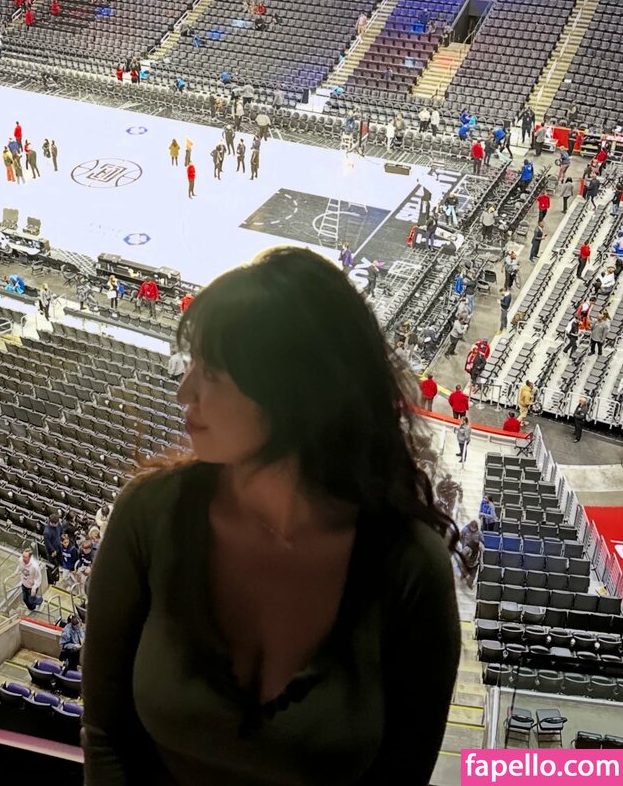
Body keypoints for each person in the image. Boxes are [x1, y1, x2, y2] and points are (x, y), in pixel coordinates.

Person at [82, 247, 460, 784]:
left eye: (211, 373)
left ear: (290, 394)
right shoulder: (147, 514)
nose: (184, 390)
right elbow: (105, 736)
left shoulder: (411, 569)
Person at [458, 520, 482, 588]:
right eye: (472, 528)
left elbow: (482, 542)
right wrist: (463, 544)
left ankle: (469, 584)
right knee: (465, 567)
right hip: (466, 551)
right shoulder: (465, 530)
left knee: (472, 573)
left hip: (475, 555)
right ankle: (462, 580)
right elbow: (460, 537)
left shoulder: (479, 533)